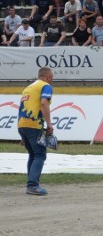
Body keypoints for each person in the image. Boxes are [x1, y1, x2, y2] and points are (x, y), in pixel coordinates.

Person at [17, 67, 54, 195]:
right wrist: (49, 124)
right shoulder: (46, 86)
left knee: (32, 154)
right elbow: (44, 103)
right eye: (52, 78)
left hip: (22, 124)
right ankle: (33, 185)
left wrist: (23, 134)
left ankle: (31, 183)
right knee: (40, 155)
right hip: (34, 124)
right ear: (48, 77)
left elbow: (23, 107)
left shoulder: (27, 88)